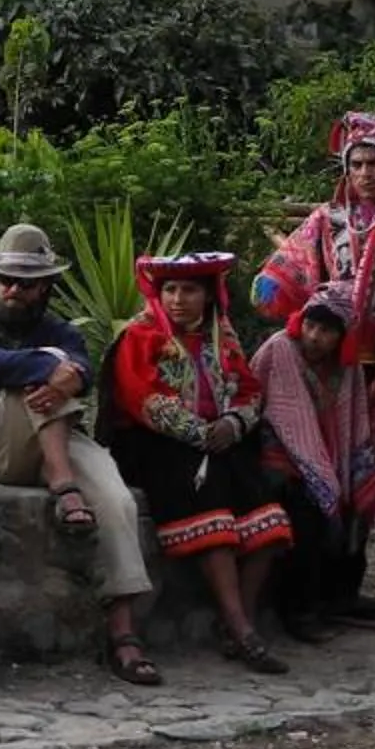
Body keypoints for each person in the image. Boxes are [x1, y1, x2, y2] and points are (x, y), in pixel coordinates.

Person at [254, 112, 375, 614]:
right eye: (357, 164)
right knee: (344, 473)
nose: (365, 173)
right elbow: (287, 273)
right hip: (339, 371)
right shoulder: (327, 220)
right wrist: (273, 288)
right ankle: (339, 590)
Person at [0, 224, 161, 686]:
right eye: (5, 280)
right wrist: (56, 370)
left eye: (25, 283)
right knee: (34, 388)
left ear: (45, 286)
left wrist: (73, 374)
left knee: (117, 500)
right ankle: (64, 484)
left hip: (59, 439)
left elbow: (84, 364)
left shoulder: (60, 330)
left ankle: (124, 631)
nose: (12, 290)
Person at [101, 253, 294, 674]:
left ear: (209, 295)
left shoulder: (221, 338)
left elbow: (247, 388)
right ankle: (243, 630)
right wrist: (203, 434)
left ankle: (236, 621)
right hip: (159, 446)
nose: (177, 299)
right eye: (170, 289)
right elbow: (143, 400)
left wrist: (232, 422)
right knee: (216, 524)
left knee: (271, 522)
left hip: (222, 442)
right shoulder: (141, 336)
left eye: (189, 290)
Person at [250, 285, 375, 642]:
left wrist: (338, 469)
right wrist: (310, 465)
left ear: (342, 337)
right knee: (307, 512)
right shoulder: (279, 350)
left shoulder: (346, 370)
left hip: (323, 455)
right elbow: (259, 406)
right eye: (310, 326)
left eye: (326, 331)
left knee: (356, 505)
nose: (315, 337)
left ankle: (340, 597)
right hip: (273, 454)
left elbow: (351, 419)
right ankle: (300, 612)